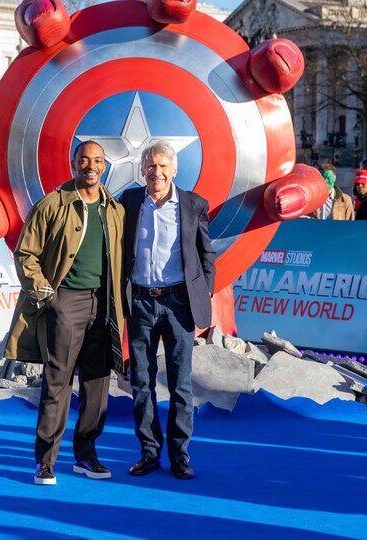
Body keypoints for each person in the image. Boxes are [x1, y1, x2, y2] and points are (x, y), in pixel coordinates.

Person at [4, 140, 125, 486]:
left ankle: (86, 454)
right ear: (74, 164)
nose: (91, 166)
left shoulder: (114, 210)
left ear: (105, 167)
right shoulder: (52, 205)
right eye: (84, 160)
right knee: (57, 384)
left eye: (98, 161)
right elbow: (25, 254)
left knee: (97, 385)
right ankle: (45, 462)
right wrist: (48, 296)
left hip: (103, 306)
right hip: (65, 303)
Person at [119, 141, 216, 481]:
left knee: (180, 385)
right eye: (150, 165)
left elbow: (206, 254)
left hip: (178, 304)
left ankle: (180, 456)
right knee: (141, 383)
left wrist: (204, 292)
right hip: (141, 303)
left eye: (162, 166)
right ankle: (148, 452)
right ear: (142, 169)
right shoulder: (129, 202)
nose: (156, 172)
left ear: (174, 169)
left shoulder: (193, 204)